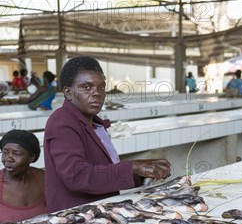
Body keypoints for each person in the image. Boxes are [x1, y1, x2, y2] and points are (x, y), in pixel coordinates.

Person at [43, 56, 171, 212]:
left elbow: (102, 173)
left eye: (101, 87)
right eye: (86, 87)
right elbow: (78, 176)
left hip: (99, 210)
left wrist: (144, 172)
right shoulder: (62, 122)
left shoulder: (94, 124)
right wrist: (133, 167)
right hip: (74, 216)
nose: (97, 93)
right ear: (68, 93)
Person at [0, 129, 46, 224]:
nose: (8, 158)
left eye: (17, 153)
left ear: (32, 157)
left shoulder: (43, 178)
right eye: (5, 152)